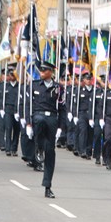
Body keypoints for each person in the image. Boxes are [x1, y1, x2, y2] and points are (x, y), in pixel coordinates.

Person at [25, 61, 67, 198]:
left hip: (52, 119)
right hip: (38, 116)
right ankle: (38, 147)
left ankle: (48, 186)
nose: (41, 73)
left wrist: (60, 127)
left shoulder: (58, 88)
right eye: (41, 71)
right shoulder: (34, 85)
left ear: (51, 72)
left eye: (44, 71)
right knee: (40, 120)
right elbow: (28, 105)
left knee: (50, 152)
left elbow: (62, 109)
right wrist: (28, 123)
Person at [3, 65, 20, 157]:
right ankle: (8, 148)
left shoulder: (19, 86)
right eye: (10, 75)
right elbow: (2, 99)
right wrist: (1, 109)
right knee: (8, 128)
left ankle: (14, 149)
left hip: (17, 110)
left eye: (13, 75)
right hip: (8, 109)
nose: (11, 77)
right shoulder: (6, 86)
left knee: (17, 130)